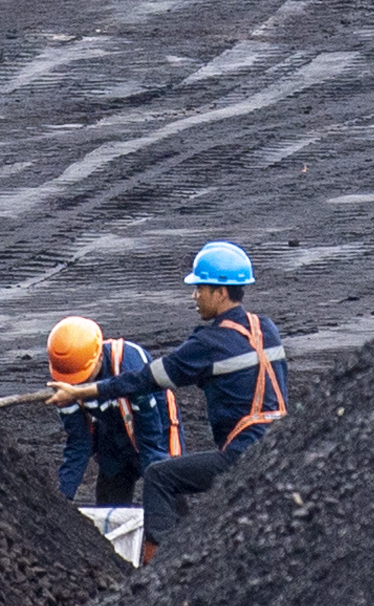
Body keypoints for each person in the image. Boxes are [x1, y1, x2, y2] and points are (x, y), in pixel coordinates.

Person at [51, 239, 289, 561]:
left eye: (199, 288)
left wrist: (81, 392)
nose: (195, 296)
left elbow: (144, 379)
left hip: (243, 453)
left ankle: (160, 569)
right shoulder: (267, 328)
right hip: (283, 444)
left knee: (159, 476)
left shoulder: (208, 343)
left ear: (220, 292)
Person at [46, 314, 177, 507]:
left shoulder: (128, 363)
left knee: (168, 490)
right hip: (112, 434)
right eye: (73, 381)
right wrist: (62, 499)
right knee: (109, 502)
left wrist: (159, 484)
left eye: (83, 378)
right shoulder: (65, 380)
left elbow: (150, 435)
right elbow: (79, 443)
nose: (77, 385)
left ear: (99, 357)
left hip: (157, 424)